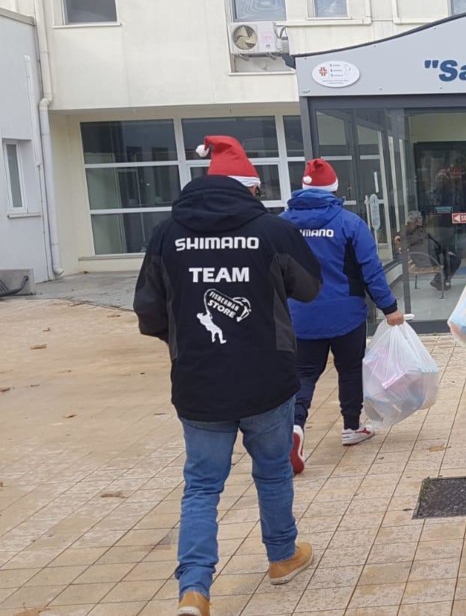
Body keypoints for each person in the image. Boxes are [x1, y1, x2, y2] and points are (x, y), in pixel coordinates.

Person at [133, 136, 323, 616]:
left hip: (199, 383)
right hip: (267, 379)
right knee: (273, 472)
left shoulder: (166, 235)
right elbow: (310, 287)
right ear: (250, 187)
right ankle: (282, 556)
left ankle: (194, 590)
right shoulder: (272, 231)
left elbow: (149, 312)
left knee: (202, 486)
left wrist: (186, 341)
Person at [281, 158, 405, 475]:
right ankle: (351, 427)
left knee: (304, 374)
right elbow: (371, 270)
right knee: (349, 370)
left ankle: (295, 427)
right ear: (335, 189)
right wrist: (389, 307)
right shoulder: (349, 223)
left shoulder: (282, 225)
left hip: (300, 315)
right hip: (346, 315)